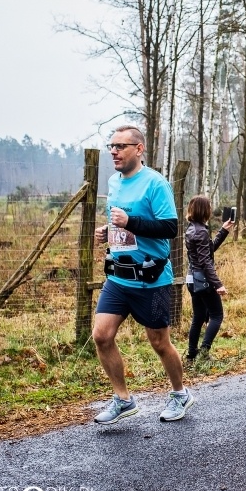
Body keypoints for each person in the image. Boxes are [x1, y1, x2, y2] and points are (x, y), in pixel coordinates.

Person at [92, 125, 193, 425]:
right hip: (119, 278)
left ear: (139, 149)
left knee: (160, 342)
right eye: (111, 146)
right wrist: (107, 231)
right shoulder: (113, 181)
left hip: (151, 279)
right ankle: (123, 399)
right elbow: (119, 222)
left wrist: (130, 221)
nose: (114, 151)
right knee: (101, 335)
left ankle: (180, 394)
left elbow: (170, 229)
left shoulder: (155, 184)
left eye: (121, 146)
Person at [184, 195, 234, 364]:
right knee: (216, 315)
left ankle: (191, 355)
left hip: (192, 279)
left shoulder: (191, 229)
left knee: (198, 317)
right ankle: (204, 353)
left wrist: (224, 230)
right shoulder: (202, 232)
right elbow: (206, 262)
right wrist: (218, 284)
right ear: (204, 210)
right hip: (203, 281)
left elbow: (208, 250)